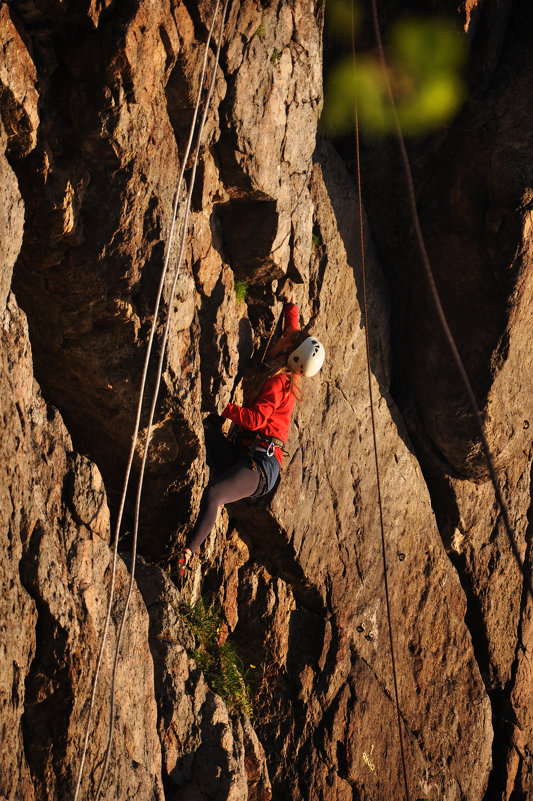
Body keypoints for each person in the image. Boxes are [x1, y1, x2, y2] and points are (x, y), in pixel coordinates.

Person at [178, 300, 325, 573]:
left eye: (286, 341)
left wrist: (224, 406)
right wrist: (290, 304)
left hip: (261, 467)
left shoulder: (279, 383)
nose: (281, 339)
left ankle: (189, 551)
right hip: (247, 456)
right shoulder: (291, 357)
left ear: (292, 355)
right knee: (206, 429)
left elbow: (256, 419)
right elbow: (292, 328)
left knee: (215, 494)